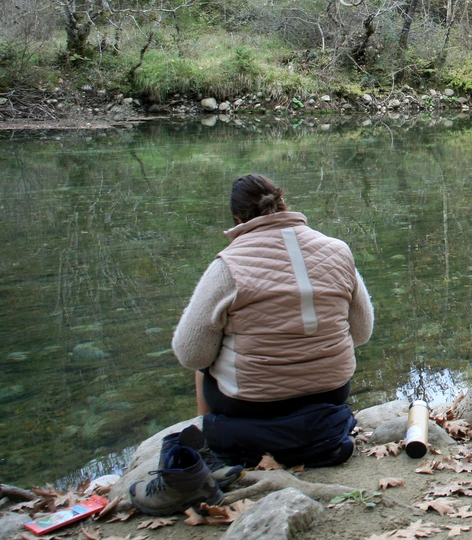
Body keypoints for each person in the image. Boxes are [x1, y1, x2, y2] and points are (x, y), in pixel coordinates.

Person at [131, 174, 373, 515]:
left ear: (237, 218)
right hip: (330, 394)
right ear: (283, 203)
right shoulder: (337, 250)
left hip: (252, 404)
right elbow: (361, 333)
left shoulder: (228, 265)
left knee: (205, 363)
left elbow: (190, 354)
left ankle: (209, 451)